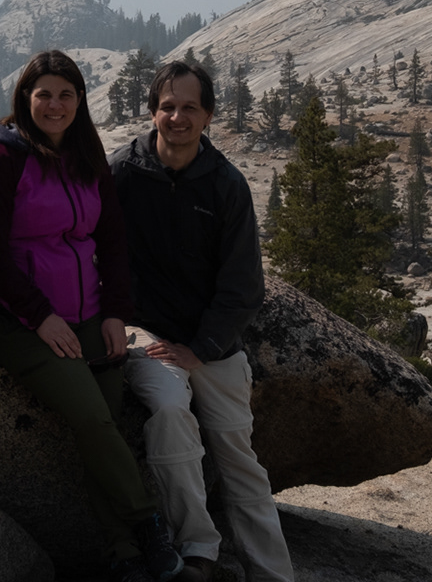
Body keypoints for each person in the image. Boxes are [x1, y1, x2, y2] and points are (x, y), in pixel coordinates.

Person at [0, 51, 184, 582]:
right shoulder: (1, 158)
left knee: (105, 426)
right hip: (21, 321)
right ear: (25, 97)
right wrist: (40, 316)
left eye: (66, 94)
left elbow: (112, 240)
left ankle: (122, 556)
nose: (55, 104)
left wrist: (115, 313)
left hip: (90, 313)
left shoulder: (87, 154)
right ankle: (147, 524)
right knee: (92, 417)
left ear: (80, 101)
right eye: (43, 93)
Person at [112, 59, 293, 582]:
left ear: (209, 115)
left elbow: (244, 286)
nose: (177, 117)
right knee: (170, 414)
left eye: (190, 107)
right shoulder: (123, 173)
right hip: (146, 334)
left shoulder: (226, 185)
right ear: (152, 112)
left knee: (239, 457)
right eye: (167, 106)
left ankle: (273, 573)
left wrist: (203, 347)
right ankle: (198, 552)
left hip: (214, 343)